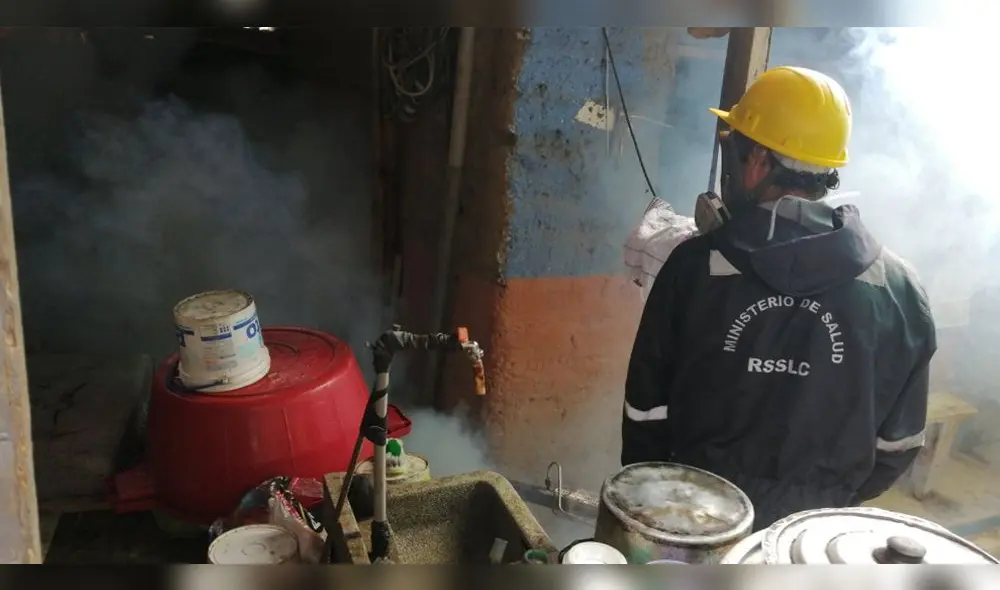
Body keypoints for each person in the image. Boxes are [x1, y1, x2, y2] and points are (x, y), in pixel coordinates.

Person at [621, 66, 936, 530]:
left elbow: (645, 416)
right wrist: (819, 498)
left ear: (758, 162)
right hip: (811, 537)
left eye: (735, 147)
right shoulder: (900, 289)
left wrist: (665, 504)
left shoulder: (694, 268)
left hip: (695, 520)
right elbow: (899, 447)